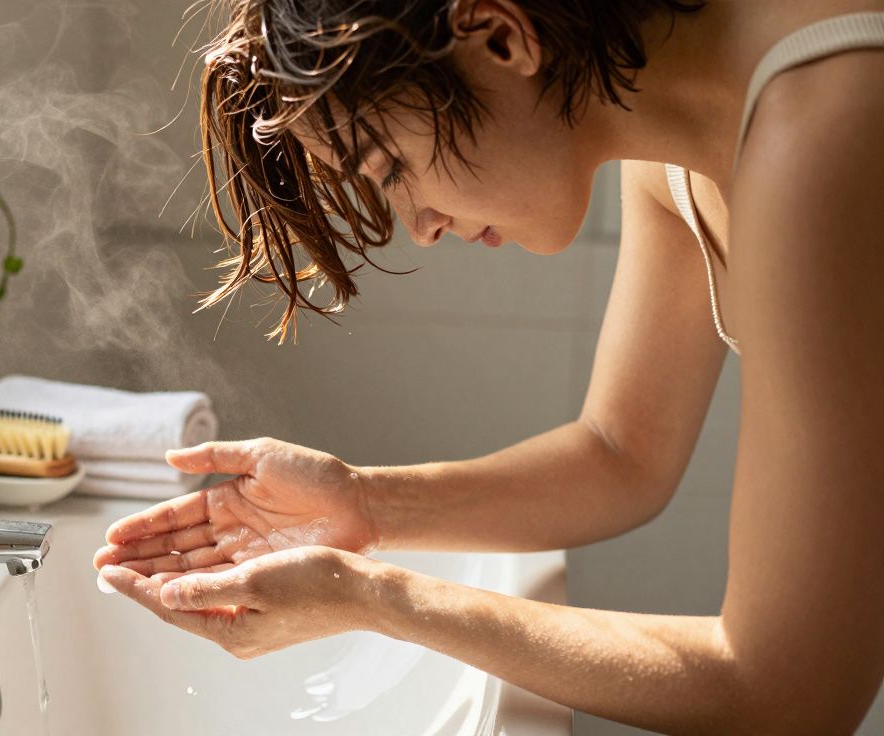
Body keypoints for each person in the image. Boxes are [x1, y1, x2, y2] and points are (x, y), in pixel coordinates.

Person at [93, 0, 884, 731]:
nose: (422, 227)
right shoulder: (677, 139)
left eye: (393, 169)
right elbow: (622, 453)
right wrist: (366, 505)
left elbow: (791, 693)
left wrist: (376, 598)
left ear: (499, 36)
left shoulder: (826, 123)